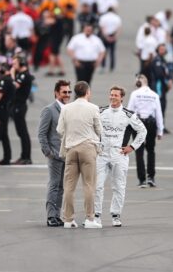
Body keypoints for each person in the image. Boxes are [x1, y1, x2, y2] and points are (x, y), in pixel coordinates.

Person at [94, 86, 147, 227]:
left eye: (116, 95)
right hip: (102, 154)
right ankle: (96, 215)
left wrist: (132, 147)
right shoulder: (100, 111)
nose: (113, 97)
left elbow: (143, 131)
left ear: (122, 97)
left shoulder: (129, 115)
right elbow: (90, 127)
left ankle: (116, 215)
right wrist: (95, 144)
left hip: (119, 154)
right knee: (97, 185)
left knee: (119, 186)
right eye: (111, 94)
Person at [56, 81, 103, 229]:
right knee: (89, 185)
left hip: (71, 148)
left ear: (75, 93)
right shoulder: (93, 108)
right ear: (87, 92)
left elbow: (60, 130)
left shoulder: (66, 108)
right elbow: (99, 130)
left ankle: (68, 219)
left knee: (69, 186)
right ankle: (89, 219)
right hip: (87, 147)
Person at [38, 80, 70, 227]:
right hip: (55, 154)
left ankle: (57, 215)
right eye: (64, 92)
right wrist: (48, 152)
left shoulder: (69, 109)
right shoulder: (49, 110)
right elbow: (42, 133)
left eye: (69, 92)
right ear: (56, 93)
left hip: (67, 154)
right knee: (54, 185)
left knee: (61, 187)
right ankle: (51, 216)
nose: (67, 94)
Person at [128, 74, 164, 188]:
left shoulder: (135, 94)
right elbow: (159, 114)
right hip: (151, 123)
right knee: (151, 150)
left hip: (138, 123)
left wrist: (127, 128)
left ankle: (142, 179)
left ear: (138, 83)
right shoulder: (154, 95)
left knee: (139, 151)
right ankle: (151, 177)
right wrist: (160, 130)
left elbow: (129, 111)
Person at [11, 55, 33, 165]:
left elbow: (15, 85)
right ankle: (23, 156)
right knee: (20, 132)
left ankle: (26, 157)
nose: (13, 66)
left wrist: (12, 74)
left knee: (23, 132)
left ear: (21, 63)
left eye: (15, 63)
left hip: (20, 105)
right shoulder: (20, 74)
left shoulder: (24, 75)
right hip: (17, 105)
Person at [98, 6, 121, 72]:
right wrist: (115, 37)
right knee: (112, 52)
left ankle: (103, 66)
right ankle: (112, 67)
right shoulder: (117, 17)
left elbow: (102, 28)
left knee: (104, 51)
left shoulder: (103, 17)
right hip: (113, 34)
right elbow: (119, 28)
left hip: (105, 35)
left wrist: (106, 37)